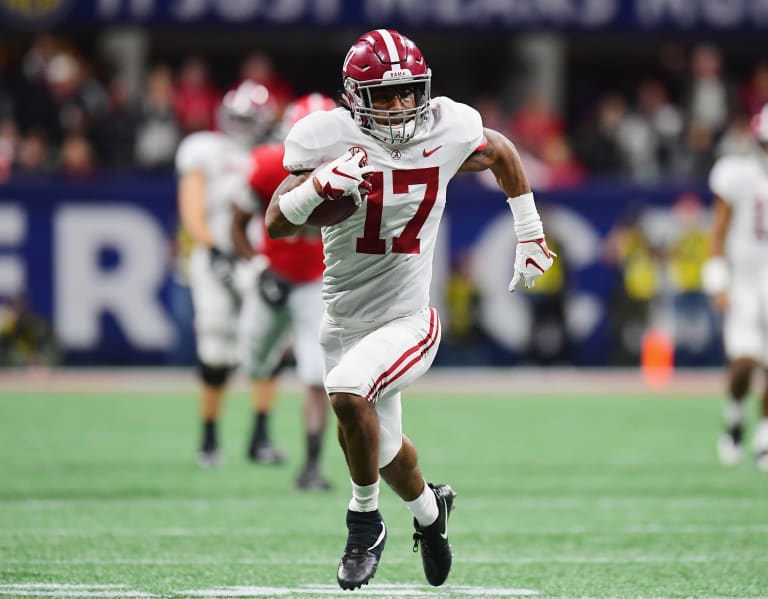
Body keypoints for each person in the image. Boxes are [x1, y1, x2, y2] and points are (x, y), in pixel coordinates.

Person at [265, 29, 556, 590]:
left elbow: (500, 150)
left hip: (408, 319)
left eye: (407, 92)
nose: (399, 106)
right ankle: (431, 514)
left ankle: (363, 522)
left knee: (349, 392)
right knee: (386, 449)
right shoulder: (326, 138)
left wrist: (529, 232)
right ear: (354, 97)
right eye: (384, 95)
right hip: (344, 318)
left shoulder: (446, 129)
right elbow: (277, 222)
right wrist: (315, 187)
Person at [231, 93, 338, 489]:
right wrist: (258, 266)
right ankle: (260, 419)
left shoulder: (355, 169)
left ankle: (310, 465)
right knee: (252, 360)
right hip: (273, 276)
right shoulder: (265, 166)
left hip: (316, 284)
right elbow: (237, 224)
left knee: (317, 375)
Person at [176, 80, 281, 467]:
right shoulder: (205, 149)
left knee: (267, 344)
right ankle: (208, 439)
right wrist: (211, 246)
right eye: (235, 117)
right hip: (215, 256)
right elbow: (191, 205)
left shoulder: (276, 153)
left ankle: (261, 436)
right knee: (216, 343)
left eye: (247, 119)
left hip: (257, 258)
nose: (240, 125)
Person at [704, 102, 768, 471]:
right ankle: (735, 419)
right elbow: (719, 230)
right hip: (744, 278)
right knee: (744, 362)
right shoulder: (737, 173)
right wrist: (718, 280)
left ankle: (764, 437)